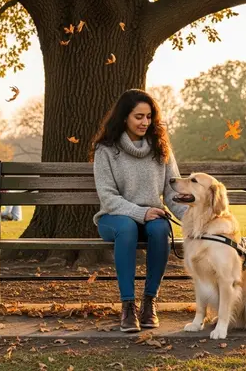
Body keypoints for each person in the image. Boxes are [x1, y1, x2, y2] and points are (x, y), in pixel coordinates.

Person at [91, 89, 188, 333]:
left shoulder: (161, 148)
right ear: (124, 117)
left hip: (152, 218)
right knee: (126, 228)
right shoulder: (106, 150)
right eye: (138, 116)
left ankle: (149, 302)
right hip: (114, 218)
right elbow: (108, 197)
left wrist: (193, 220)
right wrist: (139, 212)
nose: (145, 122)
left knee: (159, 229)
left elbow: (173, 192)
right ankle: (127, 306)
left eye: (149, 116)